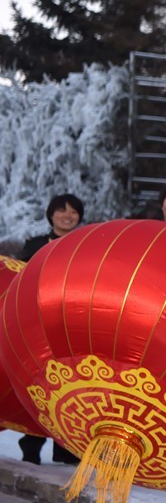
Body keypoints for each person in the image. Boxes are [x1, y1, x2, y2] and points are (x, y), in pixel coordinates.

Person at [18, 193, 86, 465]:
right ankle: (31, 445)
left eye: (73, 212)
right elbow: (21, 281)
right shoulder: (34, 244)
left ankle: (67, 448)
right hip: (37, 327)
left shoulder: (85, 245)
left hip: (70, 328)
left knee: (68, 386)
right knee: (35, 383)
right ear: (51, 214)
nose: (67, 216)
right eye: (62, 211)